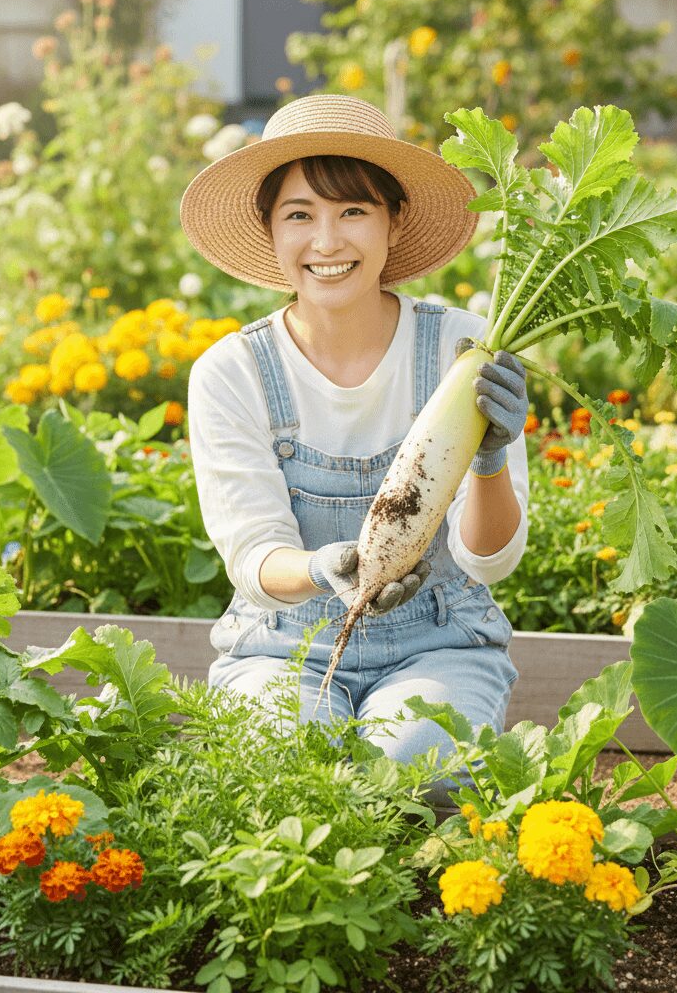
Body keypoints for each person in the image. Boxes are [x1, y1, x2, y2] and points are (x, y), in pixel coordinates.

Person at [179, 94, 528, 775]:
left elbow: (489, 562)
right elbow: (252, 557)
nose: (327, 241)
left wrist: (489, 461)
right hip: (283, 647)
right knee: (289, 762)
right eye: (300, 215)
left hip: (440, 643)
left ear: (394, 223)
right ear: (271, 230)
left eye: (354, 212)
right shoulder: (233, 371)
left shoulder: (461, 350)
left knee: (411, 761)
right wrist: (322, 568)